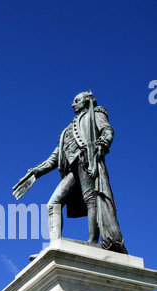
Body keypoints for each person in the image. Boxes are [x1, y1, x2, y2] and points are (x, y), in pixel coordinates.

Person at [16, 91, 127, 255]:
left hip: (87, 160)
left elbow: (107, 130)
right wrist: (36, 172)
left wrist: (103, 144)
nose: (72, 104)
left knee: (91, 199)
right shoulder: (66, 130)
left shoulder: (95, 114)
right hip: (73, 169)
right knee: (53, 203)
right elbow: (54, 159)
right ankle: (54, 246)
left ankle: (92, 242)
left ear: (87, 101)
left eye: (76, 101)